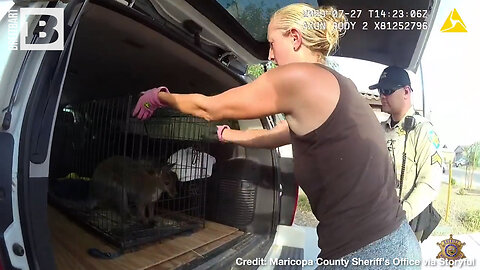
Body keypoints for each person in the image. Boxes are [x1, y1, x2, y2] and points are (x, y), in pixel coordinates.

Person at [133, 3, 421, 268]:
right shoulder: (336, 86)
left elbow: (210, 108)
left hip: (365, 254)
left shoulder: (299, 78)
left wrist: (160, 98)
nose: (269, 55)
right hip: (399, 245)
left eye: (273, 43)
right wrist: (227, 136)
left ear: (295, 38)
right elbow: (274, 136)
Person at [369, 66, 442, 242]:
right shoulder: (379, 130)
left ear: (406, 92)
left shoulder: (423, 131)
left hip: (406, 224)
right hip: (377, 220)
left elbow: (430, 183)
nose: (382, 96)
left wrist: (402, 214)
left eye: (388, 90)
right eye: (380, 90)